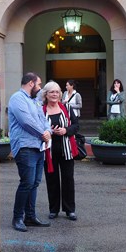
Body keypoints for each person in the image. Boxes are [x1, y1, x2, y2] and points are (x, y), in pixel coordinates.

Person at [8, 72, 52, 232]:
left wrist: (47, 132)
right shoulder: (17, 98)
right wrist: (43, 133)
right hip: (25, 146)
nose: (40, 88)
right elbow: (26, 122)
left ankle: (30, 216)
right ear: (31, 83)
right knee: (26, 183)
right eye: (39, 85)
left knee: (34, 183)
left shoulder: (34, 101)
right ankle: (17, 217)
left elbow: (43, 119)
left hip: (38, 146)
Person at [41, 81, 79, 221]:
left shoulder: (67, 108)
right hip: (48, 152)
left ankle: (70, 210)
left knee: (68, 180)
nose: (55, 94)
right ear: (46, 94)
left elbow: (76, 126)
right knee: (52, 181)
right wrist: (48, 131)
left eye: (57, 92)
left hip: (66, 150)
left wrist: (66, 130)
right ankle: (53, 209)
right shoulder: (41, 110)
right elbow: (37, 127)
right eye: (51, 92)